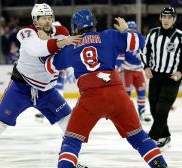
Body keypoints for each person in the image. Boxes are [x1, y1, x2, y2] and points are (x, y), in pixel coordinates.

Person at [0, 3, 84, 168]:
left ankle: (72, 161)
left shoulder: (62, 33)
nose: (47, 21)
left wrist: (62, 41)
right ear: (35, 20)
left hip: (47, 91)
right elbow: (38, 49)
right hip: (20, 88)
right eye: (42, 18)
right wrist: (61, 42)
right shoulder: (26, 33)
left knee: (70, 125)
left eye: (49, 17)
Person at [45, 9, 168, 168]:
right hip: (117, 95)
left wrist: (59, 43)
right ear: (94, 24)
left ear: (75, 27)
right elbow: (140, 42)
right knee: (139, 138)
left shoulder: (72, 46)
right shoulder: (109, 35)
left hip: (90, 99)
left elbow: (50, 66)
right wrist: (126, 30)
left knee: (72, 141)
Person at [140, 7, 182, 150]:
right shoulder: (153, 34)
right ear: (160, 18)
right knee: (154, 108)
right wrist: (146, 66)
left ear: (174, 19)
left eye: (169, 17)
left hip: (171, 78)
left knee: (162, 108)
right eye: (164, 17)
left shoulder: (181, 36)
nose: (166, 20)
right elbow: (144, 51)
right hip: (155, 75)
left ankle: (151, 138)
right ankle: (165, 137)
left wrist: (181, 72)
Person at [116, 21, 151, 122]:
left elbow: (146, 54)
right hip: (127, 71)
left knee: (142, 91)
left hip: (139, 71)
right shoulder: (123, 42)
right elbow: (120, 57)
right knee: (127, 93)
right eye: (129, 30)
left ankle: (142, 111)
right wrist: (117, 68)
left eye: (133, 30)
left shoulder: (141, 41)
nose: (131, 32)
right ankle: (125, 112)